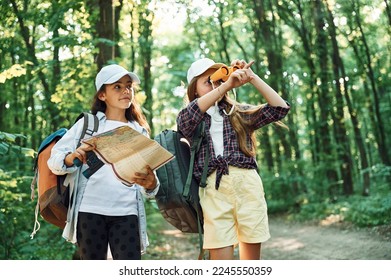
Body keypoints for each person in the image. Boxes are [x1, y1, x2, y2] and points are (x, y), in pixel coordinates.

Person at [177, 58, 290, 260]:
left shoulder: (237, 112)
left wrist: (252, 77)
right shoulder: (192, 117)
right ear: (194, 90)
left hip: (247, 185)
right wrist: (225, 85)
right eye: (208, 81)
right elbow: (185, 120)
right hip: (214, 189)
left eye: (219, 80)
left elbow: (280, 109)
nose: (216, 84)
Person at [48, 64, 159, 260]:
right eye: (117, 86)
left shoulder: (139, 131)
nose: (126, 90)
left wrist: (151, 184)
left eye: (129, 86)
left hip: (127, 213)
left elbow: (149, 186)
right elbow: (54, 160)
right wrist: (71, 157)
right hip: (89, 212)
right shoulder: (88, 125)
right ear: (102, 95)